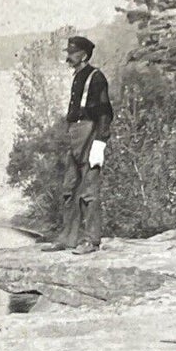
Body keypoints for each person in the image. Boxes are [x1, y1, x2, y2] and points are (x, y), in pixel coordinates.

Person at [47, 34, 114, 254]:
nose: (68, 57)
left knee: (89, 190)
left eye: (72, 53)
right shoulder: (78, 77)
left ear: (83, 55)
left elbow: (105, 112)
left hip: (90, 131)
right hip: (75, 132)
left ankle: (91, 240)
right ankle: (69, 237)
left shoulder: (96, 77)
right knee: (70, 187)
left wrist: (100, 143)